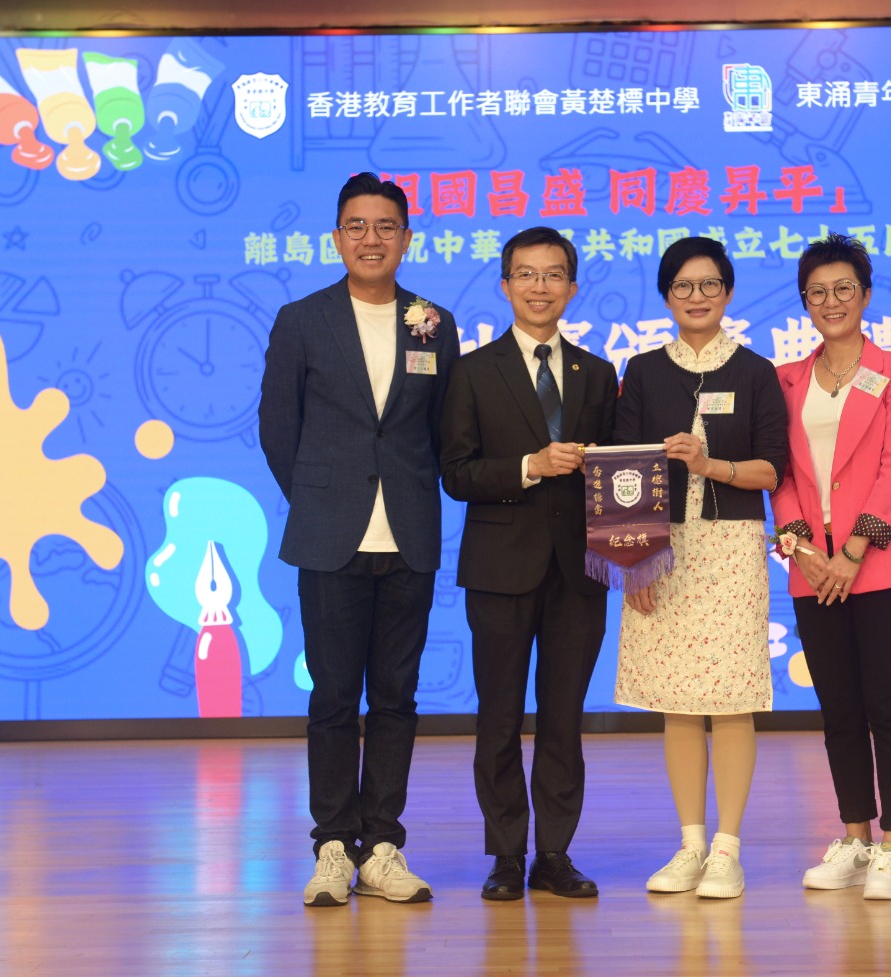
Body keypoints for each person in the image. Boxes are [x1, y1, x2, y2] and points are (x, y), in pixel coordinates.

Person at [259, 172, 460, 907]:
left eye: (385, 226)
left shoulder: (433, 323)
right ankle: (332, 846)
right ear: (337, 237)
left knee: (398, 699)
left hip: (409, 536)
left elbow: (444, 429)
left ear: (406, 238)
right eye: (357, 226)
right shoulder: (302, 320)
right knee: (335, 699)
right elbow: (278, 430)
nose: (371, 239)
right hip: (330, 538)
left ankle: (382, 846)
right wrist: (321, 500)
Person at [440, 226, 619, 901]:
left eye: (552, 275)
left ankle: (554, 852)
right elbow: (457, 473)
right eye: (526, 274)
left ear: (571, 287)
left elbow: (617, 475)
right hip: (499, 568)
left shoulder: (596, 373)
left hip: (579, 572)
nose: (539, 287)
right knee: (499, 716)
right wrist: (529, 466)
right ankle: (506, 854)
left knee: (564, 716)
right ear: (505, 284)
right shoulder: (472, 371)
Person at [613, 236, 788, 900]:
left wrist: (709, 464)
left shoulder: (756, 372)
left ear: (728, 292)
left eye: (709, 284)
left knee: (733, 699)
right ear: (666, 296)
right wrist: (636, 560)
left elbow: (772, 470)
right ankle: (690, 845)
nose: (696, 296)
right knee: (677, 703)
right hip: (661, 552)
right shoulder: (643, 371)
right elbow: (623, 466)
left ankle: (727, 850)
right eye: (683, 286)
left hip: (732, 549)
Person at [770, 234, 891, 900]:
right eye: (817, 292)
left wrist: (853, 551)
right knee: (838, 709)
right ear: (804, 302)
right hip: (812, 569)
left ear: (865, 295)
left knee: (886, 703)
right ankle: (854, 836)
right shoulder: (786, 379)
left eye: (843, 289)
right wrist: (806, 551)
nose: (830, 302)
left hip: (880, 565)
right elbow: (780, 475)